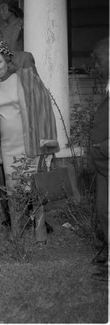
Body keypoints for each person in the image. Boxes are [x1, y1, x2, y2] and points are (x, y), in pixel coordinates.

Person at [0, 41, 59, 243]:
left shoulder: (26, 79)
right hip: (8, 146)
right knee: (12, 189)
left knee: (35, 188)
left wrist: (48, 147)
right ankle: (16, 229)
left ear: (8, 60)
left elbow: (45, 112)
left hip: (30, 143)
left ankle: (40, 230)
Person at [89, 37, 109, 282]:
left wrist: (105, 146)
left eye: (99, 59)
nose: (95, 65)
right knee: (104, 210)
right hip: (104, 163)